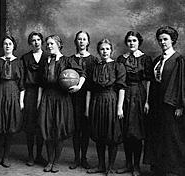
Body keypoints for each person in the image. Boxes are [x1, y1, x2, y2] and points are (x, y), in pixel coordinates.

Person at [145, 26, 185, 176]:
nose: (162, 42)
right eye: (160, 40)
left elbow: (184, 85)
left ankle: (174, 168)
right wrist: (147, 101)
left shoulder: (180, 60)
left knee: (172, 137)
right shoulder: (157, 60)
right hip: (157, 104)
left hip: (172, 105)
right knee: (157, 135)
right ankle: (159, 167)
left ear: (172, 40)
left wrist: (180, 105)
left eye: (165, 39)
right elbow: (152, 83)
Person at [38, 35, 86, 173]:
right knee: (47, 129)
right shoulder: (44, 61)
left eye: (51, 43)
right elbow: (41, 83)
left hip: (62, 98)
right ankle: (49, 160)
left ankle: (56, 162)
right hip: (47, 97)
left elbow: (82, 73)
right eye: (47, 44)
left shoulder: (67, 60)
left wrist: (78, 87)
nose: (49, 46)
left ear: (59, 44)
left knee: (58, 129)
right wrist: (39, 100)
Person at [87, 39, 126, 175]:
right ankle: (101, 165)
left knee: (112, 135)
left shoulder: (118, 66)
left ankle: (110, 167)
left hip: (111, 101)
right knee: (99, 134)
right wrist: (87, 108)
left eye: (107, 49)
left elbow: (121, 88)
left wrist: (119, 107)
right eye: (102, 49)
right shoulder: (95, 66)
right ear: (99, 51)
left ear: (111, 50)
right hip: (97, 102)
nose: (105, 51)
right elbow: (90, 90)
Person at [116, 31, 153, 176]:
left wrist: (147, 101)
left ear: (139, 42)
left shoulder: (145, 59)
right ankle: (128, 164)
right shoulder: (121, 58)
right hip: (124, 94)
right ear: (127, 43)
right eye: (129, 41)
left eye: (134, 41)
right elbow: (119, 80)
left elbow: (149, 81)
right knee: (126, 131)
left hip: (139, 96)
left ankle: (136, 166)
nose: (132, 43)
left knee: (136, 133)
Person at [0, 35, 25, 168]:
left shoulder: (19, 63)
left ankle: (6, 156)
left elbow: (22, 85)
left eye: (10, 43)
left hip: (13, 95)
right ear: (2, 46)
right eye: (5, 44)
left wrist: (21, 102)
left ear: (14, 46)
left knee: (10, 126)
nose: (7, 46)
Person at [68, 31, 97, 170]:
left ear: (88, 42)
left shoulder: (93, 60)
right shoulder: (70, 59)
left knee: (85, 129)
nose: (81, 41)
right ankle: (76, 158)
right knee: (76, 129)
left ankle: (84, 158)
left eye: (84, 39)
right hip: (73, 97)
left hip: (89, 97)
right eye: (79, 39)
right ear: (76, 41)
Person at [20, 31, 47, 166]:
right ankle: (30, 155)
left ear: (42, 41)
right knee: (30, 125)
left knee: (41, 124)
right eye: (33, 40)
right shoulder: (25, 58)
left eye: (38, 40)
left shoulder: (48, 57)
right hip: (30, 93)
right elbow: (22, 79)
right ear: (30, 43)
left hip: (44, 94)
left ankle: (39, 155)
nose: (36, 42)